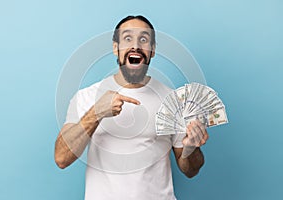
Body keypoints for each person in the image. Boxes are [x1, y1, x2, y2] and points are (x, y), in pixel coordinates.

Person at [54, 15, 209, 200]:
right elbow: (61, 158)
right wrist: (95, 113)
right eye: (127, 38)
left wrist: (191, 148)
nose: (135, 46)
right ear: (115, 48)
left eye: (143, 39)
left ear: (152, 50)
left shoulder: (173, 101)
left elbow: (190, 170)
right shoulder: (86, 97)